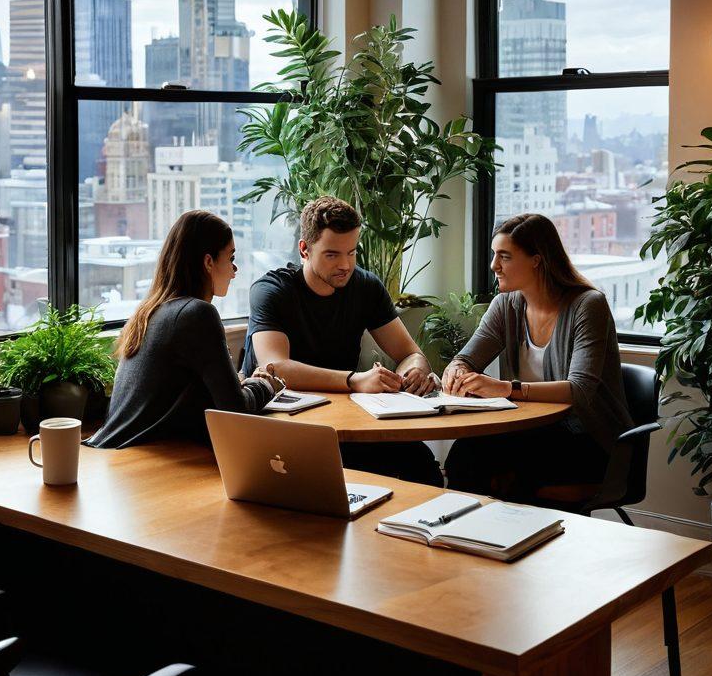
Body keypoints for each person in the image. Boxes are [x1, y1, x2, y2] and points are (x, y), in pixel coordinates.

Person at [241, 195, 443, 486]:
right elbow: (276, 368)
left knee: (421, 464)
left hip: (343, 424)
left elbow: (410, 353)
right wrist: (354, 380)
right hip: (282, 428)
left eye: (352, 252)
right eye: (332, 254)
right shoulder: (271, 291)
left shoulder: (365, 286)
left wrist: (414, 372)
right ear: (304, 250)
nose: (345, 265)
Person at [442, 213, 633, 500]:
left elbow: (579, 391)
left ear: (537, 259)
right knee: (465, 453)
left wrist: (506, 389)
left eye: (504, 256)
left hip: (587, 439)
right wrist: (456, 370)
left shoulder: (587, 305)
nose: (494, 266)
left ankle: (504, 538)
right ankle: (461, 538)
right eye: (495, 255)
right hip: (532, 430)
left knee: (507, 468)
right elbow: (467, 358)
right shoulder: (506, 304)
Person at [87, 210, 283, 449]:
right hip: (148, 462)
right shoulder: (197, 314)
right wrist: (265, 385)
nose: (235, 270)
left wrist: (240, 385)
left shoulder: (150, 311)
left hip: (121, 459)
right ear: (208, 262)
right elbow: (236, 410)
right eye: (231, 258)